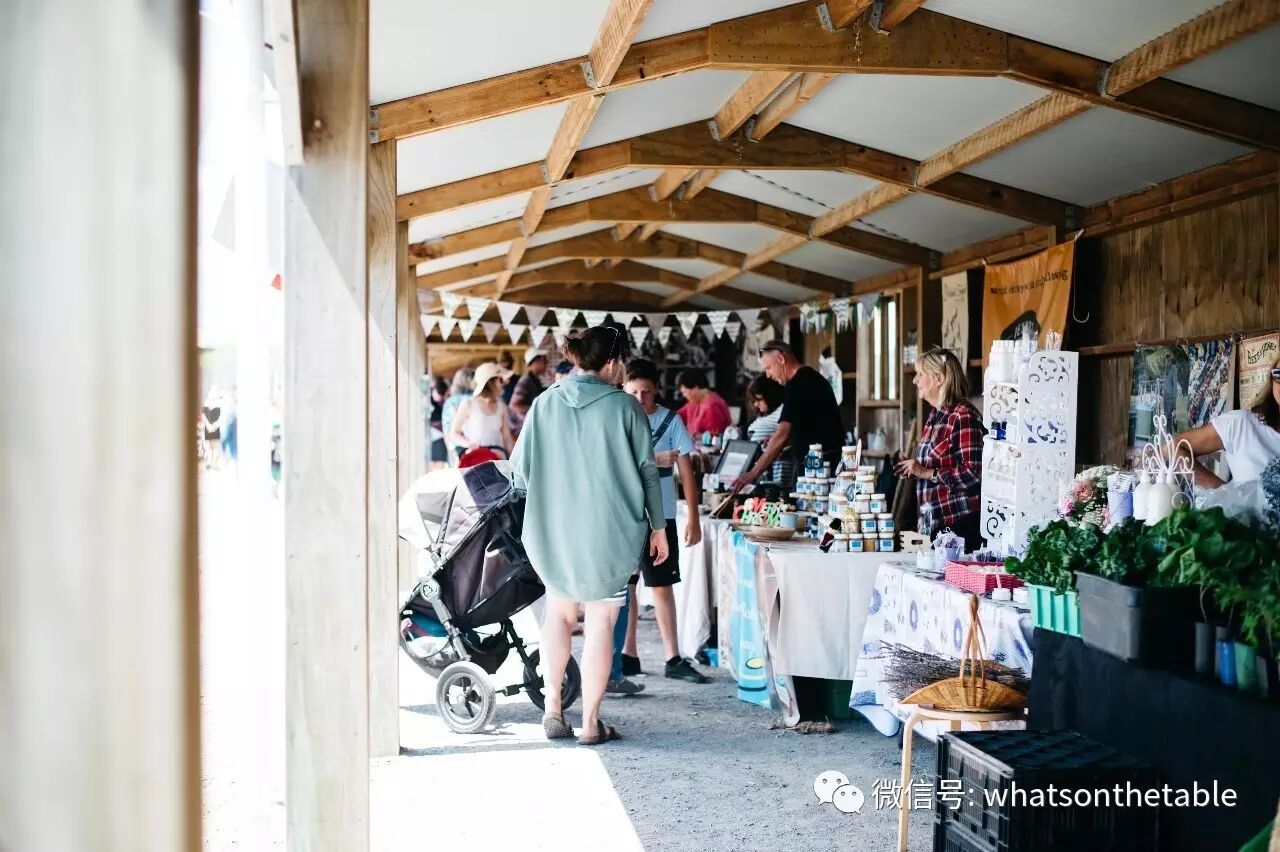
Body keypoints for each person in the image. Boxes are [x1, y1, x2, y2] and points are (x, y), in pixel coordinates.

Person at [512, 326, 667, 745]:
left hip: (554, 530)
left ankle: (553, 708)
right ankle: (591, 724)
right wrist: (658, 527)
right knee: (600, 622)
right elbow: (648, 472)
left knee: (559, 616)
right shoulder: (625, 408)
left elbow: (519, 472)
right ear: (613, 362)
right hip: (610, 534)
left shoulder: (544, 403)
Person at [615, 358, 708, 686]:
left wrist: (693, 517)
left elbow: (687, 473)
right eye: (634, 392)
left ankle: (673, 657)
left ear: (656, 390)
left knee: (662, 586)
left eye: (646, 392)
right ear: (624, 390)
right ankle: (627, 655)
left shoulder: (671, 421)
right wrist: (655, 460)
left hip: (662, 515)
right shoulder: (618, 418)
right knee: (626, 587)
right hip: (626, 513)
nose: (640, 398)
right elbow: (611, 463)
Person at [895, 347, 984, 548]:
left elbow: (975, 474)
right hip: (934, 525)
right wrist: (913, 468)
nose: (915, 380)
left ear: (939, 378)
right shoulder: (935, 415)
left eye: (920, 374)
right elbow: (937, 464)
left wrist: (927, 472)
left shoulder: (963, 415)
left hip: (959, 527)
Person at [731, 340, 843, 493]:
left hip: (819, 470)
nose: (768, 376)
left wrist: (752, 474)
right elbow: (813, 426)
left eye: (768, 368)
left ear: (781, 359)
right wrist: (786, 440)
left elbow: (782, 433)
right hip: (820, 466)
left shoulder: (798, 383)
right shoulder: (809, 378)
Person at [1175, 357, 1280, 488]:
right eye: (1278, 374)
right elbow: (1174, 447)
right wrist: (1223, 491)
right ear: (1272, 380)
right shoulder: (1241, 424)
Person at [447, 362, 514, 458]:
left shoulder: (502, 406)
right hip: (477, 459)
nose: (503, 384)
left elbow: (506, 437)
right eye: (500, 380)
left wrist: (512, 460)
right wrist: (469, 444)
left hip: (499, 459)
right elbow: (454, 433)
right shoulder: (469, 404)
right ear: (491, 382)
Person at [744, 374, 796, 492]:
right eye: (754, 401)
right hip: (763, 472)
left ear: (770, 395)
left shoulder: (783, 411)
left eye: (759, 399)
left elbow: (786, 434)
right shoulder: (763, 414)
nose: (756, 404)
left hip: (779, 470)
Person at [676, 368, 733, 437]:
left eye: (684, 392)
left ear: (695, 388)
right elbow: (675, 417)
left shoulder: (712, 406)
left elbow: (714, 437)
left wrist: (691, 436)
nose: (684, 395)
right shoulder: (694, 402)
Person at [508, 347, 549, 436]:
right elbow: (513, 405)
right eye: (543, 359)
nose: (547, 362)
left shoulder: (535, 380)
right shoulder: (526, 380)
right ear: (535, 362)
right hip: (519, 431)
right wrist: (536, 408)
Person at [440, 367, 473, 463]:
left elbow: (446, 428)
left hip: (457, 446)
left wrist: (450, 449)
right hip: (475, 444)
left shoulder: (449, 402)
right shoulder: (475, 400)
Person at [428, 376, 449, 470]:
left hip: (441, 436)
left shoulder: (446, 403)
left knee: (439, 465)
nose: (432, 394)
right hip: (435, 436)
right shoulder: (433, 401)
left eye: (434, 392)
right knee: (433, 464)